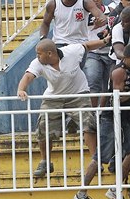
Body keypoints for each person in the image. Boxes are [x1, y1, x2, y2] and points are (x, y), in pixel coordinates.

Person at [16, 37, 110, 177]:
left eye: (39, 53)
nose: (37, 56)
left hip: (79, 93)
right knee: (43, 126)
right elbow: (28, 76)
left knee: (88, 124)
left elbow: (86, 46)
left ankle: (95, 161)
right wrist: (21, 89)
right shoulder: (38, 63)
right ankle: (45, 162)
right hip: (54, 97)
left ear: (50, 53)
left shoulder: (71, 51)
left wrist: (104, 41)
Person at [73, 44, 130, 199]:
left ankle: (114, 189)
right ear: (124, 58)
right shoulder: (119, 71)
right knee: (100, 158)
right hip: (111, 117)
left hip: (121, 117)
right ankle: (81, 193)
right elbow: (117, 98)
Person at [39, 0, 107, 46]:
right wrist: (43, 39)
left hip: (80, 43)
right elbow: (45, 23)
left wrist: (101, 21)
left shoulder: (85, 2)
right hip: (59, 43)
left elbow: (101, 16)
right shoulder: (53, 4)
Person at [83, 0, 114, 109]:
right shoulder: (83, 14)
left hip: (109, 52)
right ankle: (92, 113)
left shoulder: (111, 11)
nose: (96, 0)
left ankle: (103, 113)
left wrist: (107, 20)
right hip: (93, 52)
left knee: (108, 85)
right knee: (92, 81)